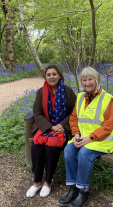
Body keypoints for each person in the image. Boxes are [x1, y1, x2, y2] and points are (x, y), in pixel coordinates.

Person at [58, 67, 113, 207]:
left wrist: (90, 138)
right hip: (83, 139)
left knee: (84, 153)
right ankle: (73, 189)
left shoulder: (107, 99)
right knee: (68, 150)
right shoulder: (80, 97)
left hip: (103, 141)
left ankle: (83, 192)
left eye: (90, 79)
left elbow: (108, 126)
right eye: (84, 80)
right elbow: (73, 119)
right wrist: (76, 133)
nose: (87, 83)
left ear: (96, 80)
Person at [26, 65, 77, 198]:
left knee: (52, 147)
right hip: (46, 127)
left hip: (61, 128)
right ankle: (37, 182)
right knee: (36, 145)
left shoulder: (68, 91)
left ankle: (47, 182)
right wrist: (49, 126)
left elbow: (74, 111)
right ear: (46, 77)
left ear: (59, 75)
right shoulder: (41, 92)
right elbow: (37, 113)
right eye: (48, 75)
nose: (51, 77)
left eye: (54, 74)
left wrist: (62, 125)